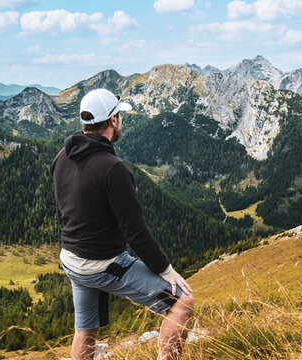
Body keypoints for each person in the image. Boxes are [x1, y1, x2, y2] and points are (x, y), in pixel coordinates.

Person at [51, 88, 194, 360]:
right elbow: (136, 233)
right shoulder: (112, 168)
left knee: (85, 329)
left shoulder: (62, 157)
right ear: (113, 120)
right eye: (119, 115)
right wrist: (167, 271)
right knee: (182, 304)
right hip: (103, 265)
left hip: (71, 259)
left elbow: (63, 209)